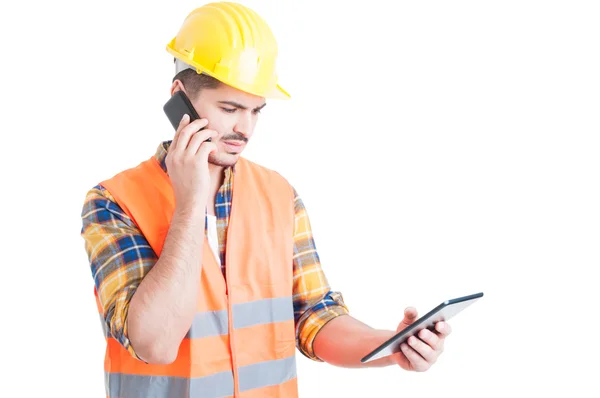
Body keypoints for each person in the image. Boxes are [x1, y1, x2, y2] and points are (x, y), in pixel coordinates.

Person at [80, 2, 452, 397]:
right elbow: (155, 343)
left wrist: (390, 347)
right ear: (180, 99)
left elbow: (313, 316)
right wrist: (190, 203)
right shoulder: (114, 201)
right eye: (229, 108)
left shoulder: (279, 196)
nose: (246, 128)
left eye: (256, 111)